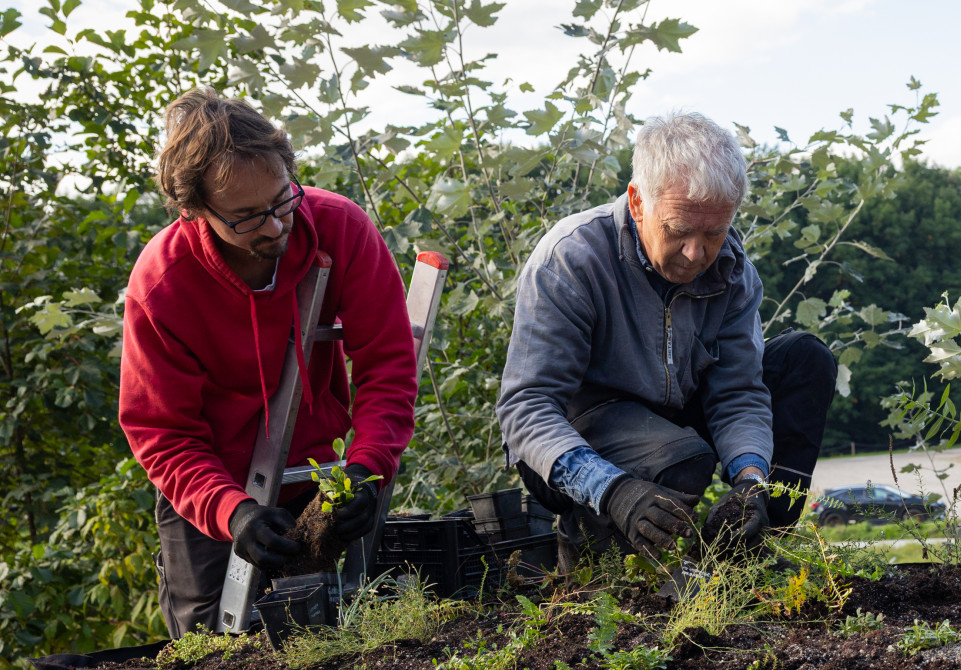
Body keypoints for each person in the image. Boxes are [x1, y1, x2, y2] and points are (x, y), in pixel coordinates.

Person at [120, 88, 418, 636]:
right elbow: (162, 432)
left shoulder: (341, 229)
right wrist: (233, 513)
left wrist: (367, 468)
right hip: (210, 491)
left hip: (317, 473)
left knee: (345, 636)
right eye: (246, 217)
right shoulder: (164, 283)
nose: (276, 226)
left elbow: (388, 368)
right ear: (194, 209)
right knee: (213, 644)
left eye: (283, 200)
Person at [497, 112, 836, 562]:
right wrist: (613, 490)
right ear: (638, 203)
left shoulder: (733, 272)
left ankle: (747, 554)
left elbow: (737, 392)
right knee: (681, 456)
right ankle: (600, 568)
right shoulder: (571, 259)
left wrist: (750, 479)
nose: (697, 253)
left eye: (715, 232)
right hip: (579, 434)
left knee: (804, 361)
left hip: (672, 416)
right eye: (679, 231)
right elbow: (526, 407)